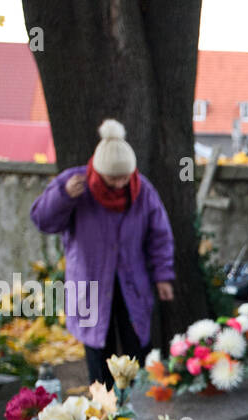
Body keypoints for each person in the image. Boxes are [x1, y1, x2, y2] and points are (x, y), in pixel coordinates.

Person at [30, 119, 175, 389]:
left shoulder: (143, 190)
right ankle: (104, 407)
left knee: (137, 343)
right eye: (113, 178)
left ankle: (140, 399)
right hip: (90, 283)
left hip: (132, 281)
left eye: (125, 177)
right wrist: (64, 196)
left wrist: (163, 276)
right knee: (98, 346)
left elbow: (160, 235)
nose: (120, 184)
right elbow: (42, 220)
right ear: (99, 170)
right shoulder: (74, 184)